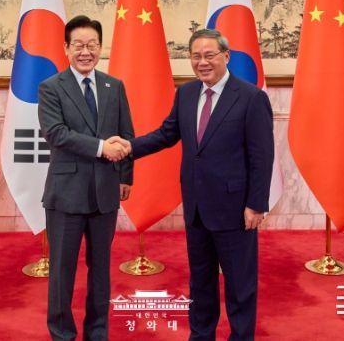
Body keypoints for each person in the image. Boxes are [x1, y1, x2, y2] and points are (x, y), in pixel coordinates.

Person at [112, 28, 274, 340]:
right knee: (200, 281)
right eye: (196, 56)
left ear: (226, 56)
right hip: (197, 208)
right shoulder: (186, 94)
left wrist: (256, 204)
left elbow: (262, 156)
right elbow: (166, 134)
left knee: (240, 284)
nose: (202, 62)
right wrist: (130, 147)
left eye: (209, 55)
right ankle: (201, 335)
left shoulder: (251, 98)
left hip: (235, 210)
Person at [38, 15, 133, 341]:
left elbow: (126, 134)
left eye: (92, 45)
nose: (85, 52)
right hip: (66, 194)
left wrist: (126, 176)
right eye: (78, 45)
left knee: (101, 272)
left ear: (100, 47)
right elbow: (56, 134)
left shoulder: (113, 86)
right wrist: (101, 147)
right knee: (61, 273)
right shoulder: (51, 87)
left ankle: (97, 332)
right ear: (66, 48)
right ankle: (62, 334)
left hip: (105, 192)